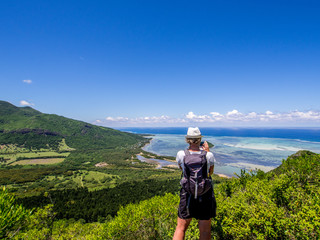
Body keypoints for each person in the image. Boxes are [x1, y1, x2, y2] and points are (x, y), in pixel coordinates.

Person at [173, 127, 216, 240]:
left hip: (187, 194)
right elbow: (210, 173)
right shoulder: (208, 155)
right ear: (200, 139)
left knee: (181, 228)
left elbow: (182, 169)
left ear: (188, 140)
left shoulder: (181, 154)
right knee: (205, 230)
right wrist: (207, 151)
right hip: (205, 194)